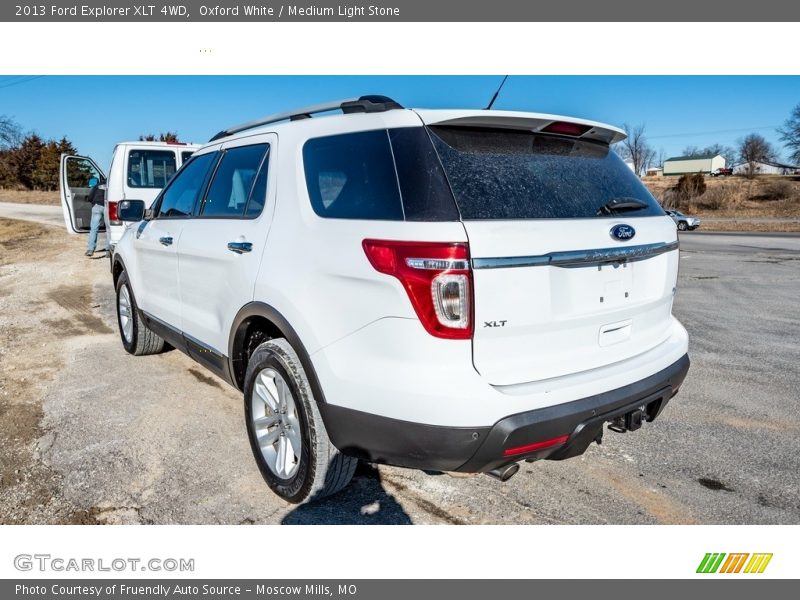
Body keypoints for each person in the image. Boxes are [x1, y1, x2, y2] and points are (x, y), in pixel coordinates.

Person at [85, 176, 109, 257]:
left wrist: (93, 202)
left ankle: (90, 249)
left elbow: (90, 197)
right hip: (108, 207)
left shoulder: (97, 185)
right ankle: (108, 250)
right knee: (109, 229)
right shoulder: (112, 185)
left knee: (94, 229)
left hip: (97, 206)